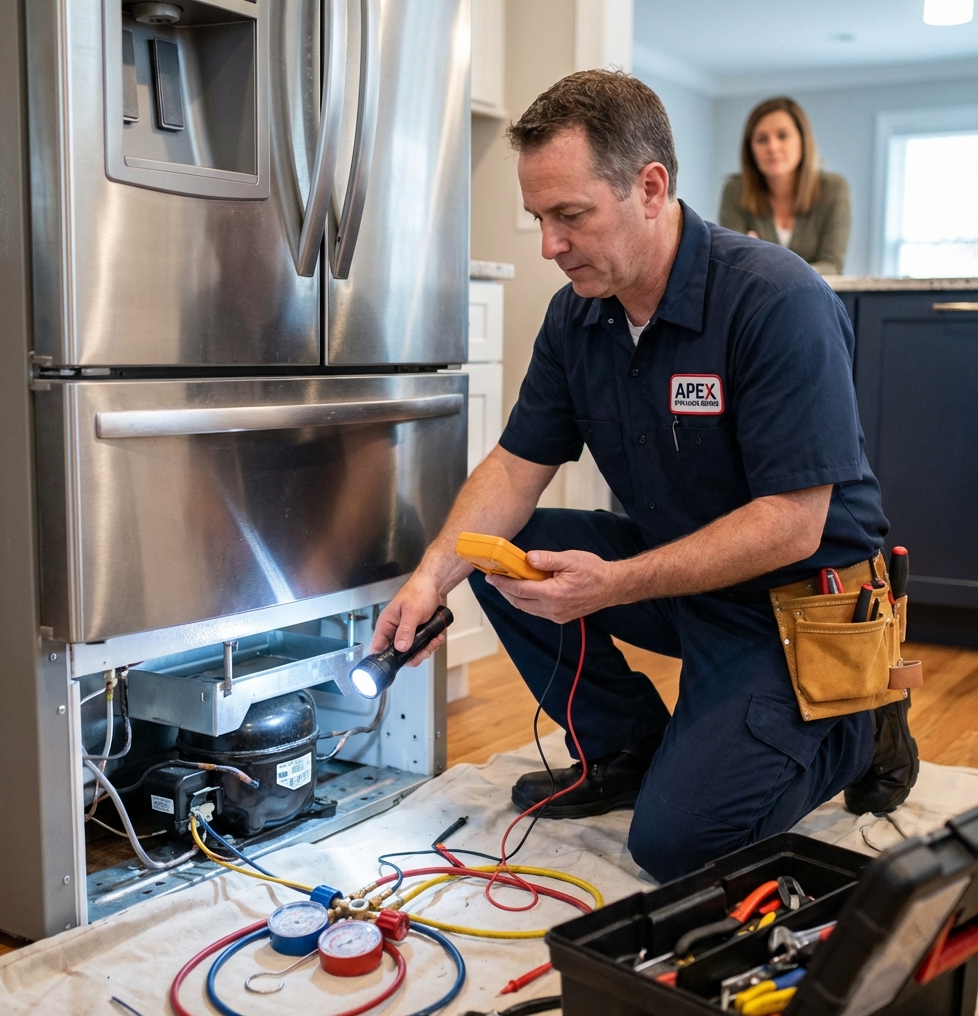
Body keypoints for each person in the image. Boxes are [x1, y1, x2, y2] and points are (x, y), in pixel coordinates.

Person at [369, 71, 917, 883]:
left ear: (650, 188)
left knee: (674, 846)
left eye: (570, 215)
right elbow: (517, 468)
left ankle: (862, 724)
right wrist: (428, 580)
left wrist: (614, 584)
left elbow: (793, 524)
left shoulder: (776, 302)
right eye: (538, 220)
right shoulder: (577, 315)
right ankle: (626, 745)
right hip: (682, 581)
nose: (549, 245)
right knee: (493, 550)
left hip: (802, 609)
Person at [719, 97, 850, 275]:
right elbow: (733, 265)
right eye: (762, 139)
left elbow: (832, 265)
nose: (772, 147)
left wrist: (768, 267)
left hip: (814, 298)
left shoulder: (834, 189)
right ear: (750, 149)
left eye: (782, 136)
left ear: (803, 141)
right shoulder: (735, 191)